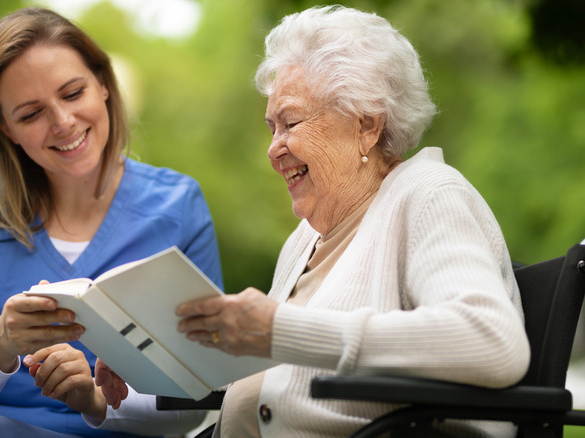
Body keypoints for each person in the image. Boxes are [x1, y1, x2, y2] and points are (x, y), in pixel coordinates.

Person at [61, 5, 531, 437]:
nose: (273, 148)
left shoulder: (429, 195)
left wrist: (278, 329)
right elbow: (270, 373)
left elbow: (492, 342)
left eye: (290, 123)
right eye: (272, 128)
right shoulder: (305, 240)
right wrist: (147, 354)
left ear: (366, 124)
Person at [0, 7, 221, 438]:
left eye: (73, 93)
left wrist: (94, 400)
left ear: (103, 85)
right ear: (5, 128)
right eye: (31, 114)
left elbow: (197, 395)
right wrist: (4, 338)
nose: (63, 123)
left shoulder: (177, 206)